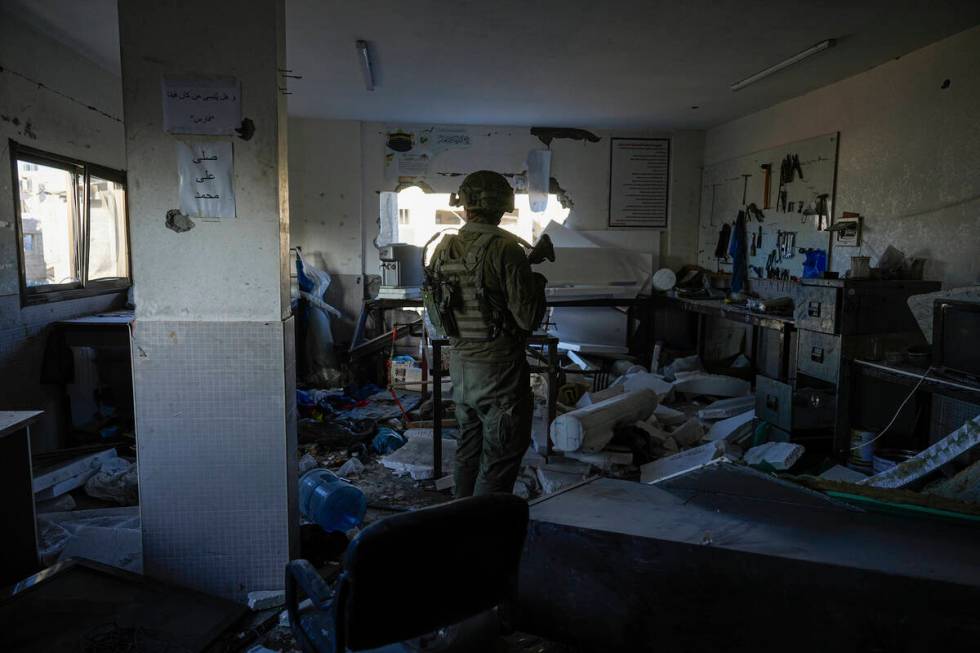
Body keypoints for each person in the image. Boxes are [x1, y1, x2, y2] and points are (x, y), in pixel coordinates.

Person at [423, 170, 547, 497]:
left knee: (468, 448)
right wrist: (537, 283)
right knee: (500, 455)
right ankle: (484, 535)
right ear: (503, 205)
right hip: (500, 371)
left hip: (462, 367)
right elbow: (527, 318)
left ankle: (460, 522)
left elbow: (439, 314)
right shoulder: (507, 249)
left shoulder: (443, 248)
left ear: (464, 203)